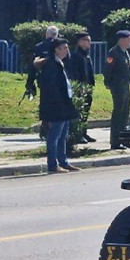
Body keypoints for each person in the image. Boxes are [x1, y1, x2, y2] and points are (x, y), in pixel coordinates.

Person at [38, 38, 80, 173]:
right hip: (55, 105)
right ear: (56, 49)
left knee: (63, 135)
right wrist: (59, 104)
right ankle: (52, 165)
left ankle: (63, 162)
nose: (67, 50)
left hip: (64, 103)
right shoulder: (51, 64)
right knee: (54, 135)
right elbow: (51, 87)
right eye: (64, 47)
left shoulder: (59, 62)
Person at [105, 30, 130, 149]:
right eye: (129, 39)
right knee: (118, 113)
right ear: (122, 40)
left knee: (125, 113)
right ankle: (115, 141)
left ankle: (125, 139)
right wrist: (108, 82)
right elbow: (108, 69)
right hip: (118, 86)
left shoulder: (125, 52)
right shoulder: (114, 53)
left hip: (126, 85)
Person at [67, 31, 97, 143]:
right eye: (86, 40)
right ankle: (78, 134)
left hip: (87, 88)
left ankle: (84, 132)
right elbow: (75, 73)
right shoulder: (76, 56)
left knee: (85, 111)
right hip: (80, 89)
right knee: (79, 112)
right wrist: (79, 87)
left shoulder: (86, 56)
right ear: (80, 42)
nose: (89, 43)